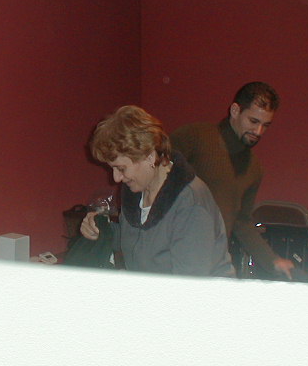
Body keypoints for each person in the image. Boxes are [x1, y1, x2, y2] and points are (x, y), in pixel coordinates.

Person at [80, 105, 234, 277]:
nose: (116, 178)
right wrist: (100, 230)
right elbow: (137, 241)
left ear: (149, 157)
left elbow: (189, 285)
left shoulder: (190, 203)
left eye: (121, 168)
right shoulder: (136, 191)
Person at [170, 81, 294, 279]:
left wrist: (272, 261)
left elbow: (242, 222)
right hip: (173, 261)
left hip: (213, 263)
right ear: (235, 110)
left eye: (265, 125)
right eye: (253, 121)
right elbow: (151, 179)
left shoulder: (253, 168)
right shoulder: (195, 137)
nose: (258, 131)